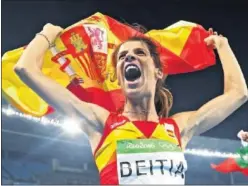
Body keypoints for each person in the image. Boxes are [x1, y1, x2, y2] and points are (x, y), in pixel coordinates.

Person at [14, 23, 248, 184]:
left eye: (139, 53)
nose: (129, 57)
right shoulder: (100, 123)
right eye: (123, 56)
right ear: (117, 77)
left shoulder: (180, 128)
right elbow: (25, 69)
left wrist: (222, 45)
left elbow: (238, 93)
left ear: (158, 72)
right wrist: (46, 34)